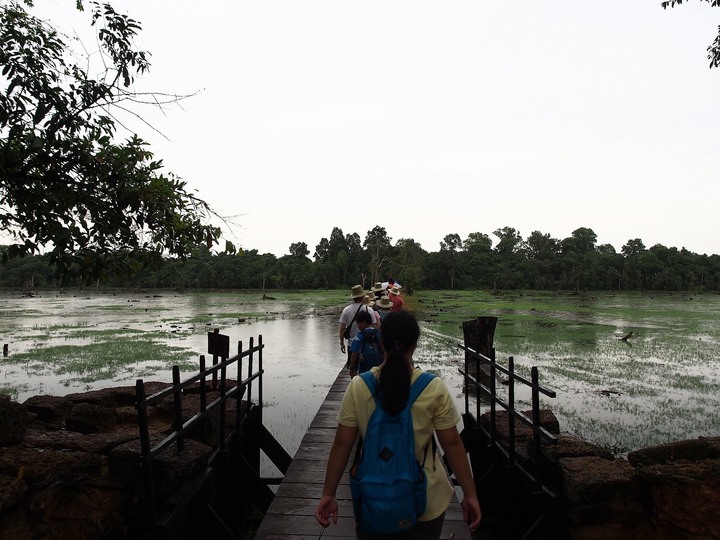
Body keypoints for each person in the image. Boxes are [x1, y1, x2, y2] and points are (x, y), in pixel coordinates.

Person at [315, 311, 482, 538]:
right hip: (427, 499)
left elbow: (343, 443)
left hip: (374, 497)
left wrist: (328, 494)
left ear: (381, 342)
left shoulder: (358, 386)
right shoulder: (433, 388)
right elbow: (452, 445)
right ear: (415, 344)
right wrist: (470, 495)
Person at [339, 285, 374, 367]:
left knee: (352, 367)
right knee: (366, 367)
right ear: (362, 297)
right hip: (366, 345)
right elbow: (374, 327)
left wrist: (342, 343)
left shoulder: (346, 310)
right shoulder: (368, 310)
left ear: (353, 298)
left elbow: (342, 329)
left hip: (351, 345)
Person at [348, 311, 382, 377]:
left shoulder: (359, 336)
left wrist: (352, 368)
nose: (358, 326)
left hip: (364, 370)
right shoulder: (379, 333)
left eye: (358, 323)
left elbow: (354, 354)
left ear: (363, 322)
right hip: (379, 367)